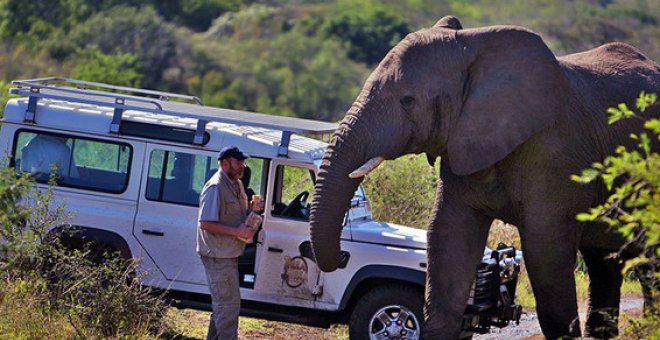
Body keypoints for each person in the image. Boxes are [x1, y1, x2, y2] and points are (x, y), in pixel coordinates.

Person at [196, 145, 259, 340]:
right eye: (238, 162)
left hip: (228, 255)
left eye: (243, 162)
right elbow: (205, 223)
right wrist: (237, 232)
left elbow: (234, 216)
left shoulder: (236, 184)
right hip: (218, 257)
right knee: (228, 310)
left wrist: (253, 209)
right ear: (225, 163)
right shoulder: (215, 187)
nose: (242, 166)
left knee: (223, 309)